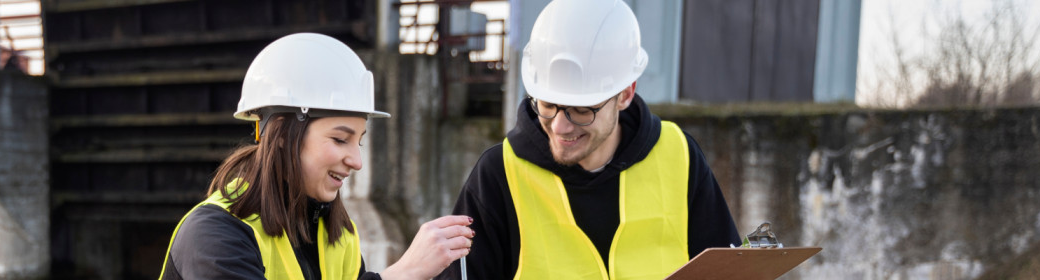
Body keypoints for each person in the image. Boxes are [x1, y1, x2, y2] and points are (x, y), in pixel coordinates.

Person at [439, 0, 741, 279]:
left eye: (581, 110)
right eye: (546, 105)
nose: (559, 126)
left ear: (625, 94)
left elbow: (727, 271)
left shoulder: (679, 156)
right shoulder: (498, 174)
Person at [159, 33, 475, 280]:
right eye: (340, 139)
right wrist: (402, 273)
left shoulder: (339, 233)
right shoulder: (214, 234)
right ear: (282, 135)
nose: (356, 161)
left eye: (359, 142)